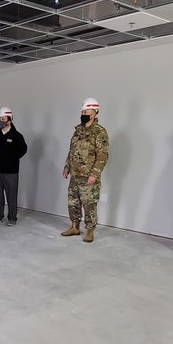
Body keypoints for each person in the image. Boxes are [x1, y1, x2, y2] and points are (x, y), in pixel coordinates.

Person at [62, 97, 109, 242]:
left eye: (85, 111)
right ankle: (74, 227)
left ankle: (90, 231)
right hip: (75, 175)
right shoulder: (77, 131)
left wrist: (94, 174)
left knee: (89, 205)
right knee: (73, 203)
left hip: (89, 176)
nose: (82, 113)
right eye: (82, 111)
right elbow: (72, 151)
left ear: (94, 113)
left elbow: (103, 155)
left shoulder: (99, 132)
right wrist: (67, 167)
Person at [0, 106, 28, 226]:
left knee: (11, 196)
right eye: (0, 119)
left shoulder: (17, 136)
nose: (1, 121)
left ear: (9, 120)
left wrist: (12, 159)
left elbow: (23, 150)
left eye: (3, 119)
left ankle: (12, 218)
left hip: (11, 172)